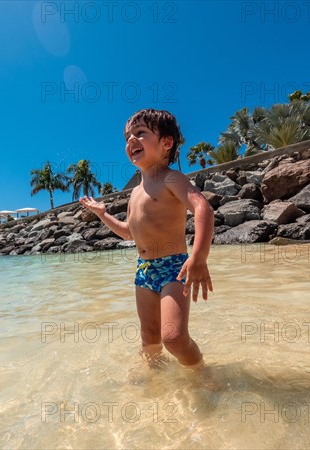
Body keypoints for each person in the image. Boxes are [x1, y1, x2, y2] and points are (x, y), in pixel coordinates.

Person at [80, 108, 214, 369]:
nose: (131, 140)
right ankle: (154, 384)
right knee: (149, 339)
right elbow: (129, 232)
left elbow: (203, 209)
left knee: (173, 338)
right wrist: (102, 214)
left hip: (174, 266)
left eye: (140, 133)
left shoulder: (171, 179)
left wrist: (199, 258)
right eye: (128, 136)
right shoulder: (135, 193)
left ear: (166, 143)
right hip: (144, 271)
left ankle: (201, 374)